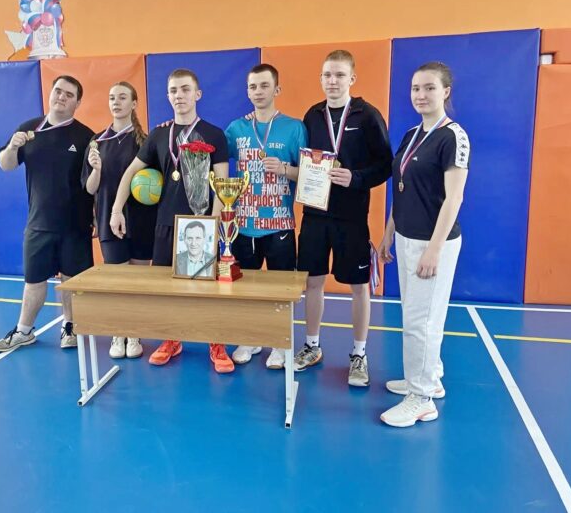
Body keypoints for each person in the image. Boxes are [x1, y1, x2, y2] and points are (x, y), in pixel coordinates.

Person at [109, 69, 234, 373]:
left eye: (185, 89)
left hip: (200, 223)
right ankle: (171, 339)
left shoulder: (214, 134)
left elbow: (222, 183)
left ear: (197, 94)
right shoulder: (158, 135)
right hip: (166, 223)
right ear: (167, 96)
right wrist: (116, 209)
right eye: (174, 90)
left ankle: (216, 343)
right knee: (168, 288)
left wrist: (215, 221)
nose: (179, 95)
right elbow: (130, 172)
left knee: (209, 290)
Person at [377, 62, 470, 427]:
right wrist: (389, 231)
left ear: (445, 91)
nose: (421, 95)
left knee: (423, 321)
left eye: (429, 88)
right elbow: (403, 189)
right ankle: (426, 376)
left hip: (433, 243)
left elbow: (454, 199)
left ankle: (422, 397)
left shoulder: (453, 137)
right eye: (416, 88)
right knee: (415, 315)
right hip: (405, 237)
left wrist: (434, 248)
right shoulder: (411, 134)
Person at [296, 50, 393, 386]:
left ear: (352, 78)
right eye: (327, 75)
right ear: (321, 79)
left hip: (351, 217)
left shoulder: (367, 116)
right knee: (313, 282)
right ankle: (312, 346)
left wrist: (356, 178)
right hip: (314, 213)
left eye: (339, 75)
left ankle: (359, 354)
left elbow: (386, 165)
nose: (332, 81)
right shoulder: (312, 115)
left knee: (358, 285)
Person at [0, 75, 95, 352]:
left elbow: (93, 181)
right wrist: (13, 146)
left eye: (69, 95)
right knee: (33, 280)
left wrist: (95, 214)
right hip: (39, 223)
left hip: (75, 224)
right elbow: (5, 164)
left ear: (77, 103)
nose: (62, 97)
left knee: (71, 281)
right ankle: (23, 331)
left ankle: (70, 327)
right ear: (51, 93)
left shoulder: (85, 136)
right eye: (58, 91)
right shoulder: (28, 129)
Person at [225, 63, 307, 369]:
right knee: (245, 289)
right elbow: (216, 157)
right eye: (252, 87)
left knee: (279, 291)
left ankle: (280, 344)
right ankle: (250, 337)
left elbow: (309, 174)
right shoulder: (236, 129)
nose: (257, 92)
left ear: (277, 89)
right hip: (243, 224)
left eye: (264, 85)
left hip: (279, 224)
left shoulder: (294, 128)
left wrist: (284, 169)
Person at [83, 81, 156, 359]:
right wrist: (96, 169)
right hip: (109, 220)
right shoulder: (97, 142)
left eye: (123, 97)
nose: (116, 102)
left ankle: (133, 333)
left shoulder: (146, 141)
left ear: (134, 103)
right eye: (112, 97)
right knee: (117, 282)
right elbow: (90, 188)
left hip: (142, 221)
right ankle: (118, 333)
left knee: (137, 284)